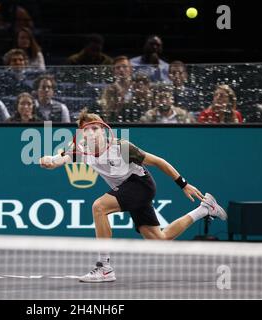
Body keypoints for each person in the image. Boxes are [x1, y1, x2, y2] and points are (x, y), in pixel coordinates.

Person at [39, 109, 227, 282]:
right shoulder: (81, 150)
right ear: (82, 134)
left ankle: (104, 268)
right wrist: (49, 161)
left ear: (103, 130)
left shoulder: (122, 147)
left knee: (99, 207)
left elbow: (159, 162)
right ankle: (204, 209)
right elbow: (60, 159)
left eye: (96, 128)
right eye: (87, 129)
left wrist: (183, 184)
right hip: (125, 189)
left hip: (141, 185)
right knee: (160, 240)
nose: (92, 132)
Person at [98, 56, 134, 121]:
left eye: (124, 66)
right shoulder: (109, 90)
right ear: (113, 72)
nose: (121, 70)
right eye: (118, 68)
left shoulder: (137, 87)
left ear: (131, 69)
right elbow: (106, 112)